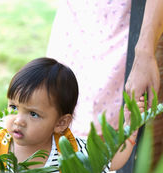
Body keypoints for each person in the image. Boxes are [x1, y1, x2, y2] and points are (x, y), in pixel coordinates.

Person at [0, 57, 144, 173]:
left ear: (61, 123)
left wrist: (131, 126)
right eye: (14, 107)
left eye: (33, 114)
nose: (19, 120)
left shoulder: (72, 153)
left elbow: (114, 159)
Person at [46, 0, 163, 138]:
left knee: (101, 139)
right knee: (57, 117)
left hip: (122, 35)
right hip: (74, 24)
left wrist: (145, 52)